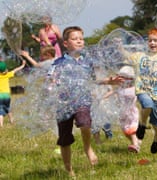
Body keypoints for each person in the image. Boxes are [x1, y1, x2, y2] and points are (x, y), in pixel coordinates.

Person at [49, 26, 123, 176]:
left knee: (85, 124)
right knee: (64, 139)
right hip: (63, 105)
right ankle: (69, 170)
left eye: (81, 39)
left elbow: (92, 80)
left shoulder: (87, 62)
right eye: (75, 39)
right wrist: (51, 84)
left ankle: (88, 147)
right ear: (65, 43)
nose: (79, 41)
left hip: (82, 100)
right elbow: (50, 79)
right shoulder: (58, 63)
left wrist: (109, 80)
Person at [102, 66, 140, 153]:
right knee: (126, 131)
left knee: (132, 130)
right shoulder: (119, 89)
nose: (121, 80)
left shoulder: (133, 89)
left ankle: (136, 145)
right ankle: (135, 142)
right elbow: (112, 92)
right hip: (122, 114)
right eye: (120, 77)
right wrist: (103, 97)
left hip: (131, 113)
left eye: (123, 78)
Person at [0, 60, 26, 127]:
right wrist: (23, 65)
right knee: (8, 108)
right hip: (7, 95)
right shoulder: (8, 74)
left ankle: (1, 125)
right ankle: (11, 120)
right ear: (5, 69)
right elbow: (15, 70)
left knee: (1, 110)